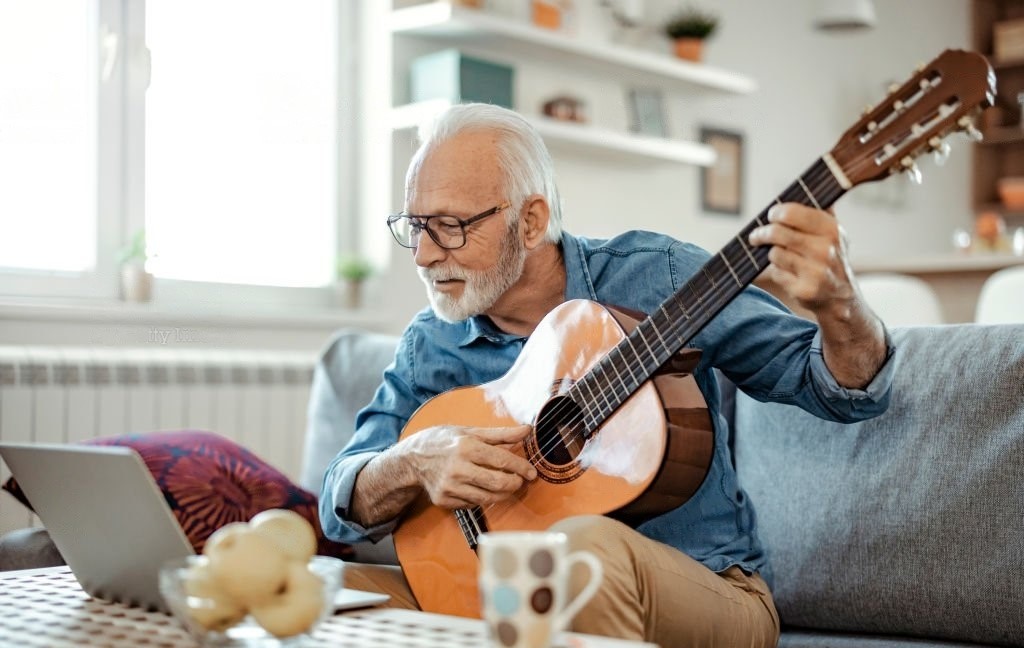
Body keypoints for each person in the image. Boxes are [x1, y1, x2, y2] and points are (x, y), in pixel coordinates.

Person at [319, 102, 895, 647]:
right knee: (310, 588)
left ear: (530, 221)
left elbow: (839, 391)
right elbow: (339, 503)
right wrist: (414, 461)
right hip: (487, 600)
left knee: (572, 552)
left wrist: (840, 304)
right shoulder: (432, 341)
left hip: (710, 593)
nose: (421, 254)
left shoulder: (657, 279)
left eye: (448, 226)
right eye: (414, 225)